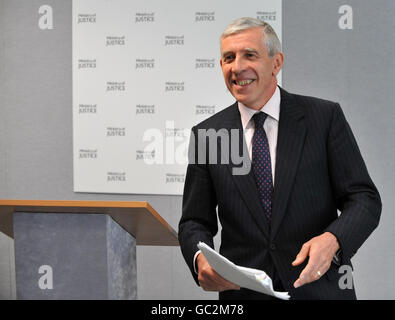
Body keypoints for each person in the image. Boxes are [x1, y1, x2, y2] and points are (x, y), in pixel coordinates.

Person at [178, 17, 381, 300]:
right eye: (228, 58)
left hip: (320, 290)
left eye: (250, 55)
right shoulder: (207, 134)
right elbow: (193, 222)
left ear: (276, 63)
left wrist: (333, 240)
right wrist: (199, 257)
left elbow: (364, 199)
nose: (237, 67)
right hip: (244, 295)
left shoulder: (324, 118)